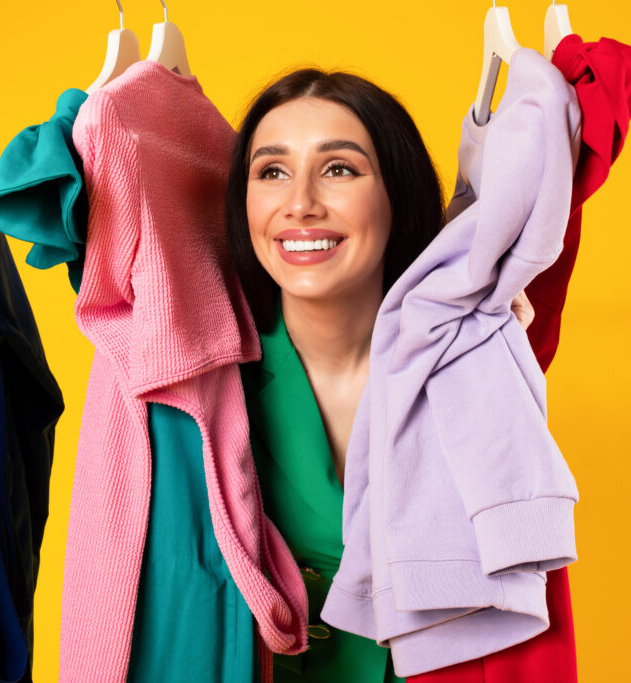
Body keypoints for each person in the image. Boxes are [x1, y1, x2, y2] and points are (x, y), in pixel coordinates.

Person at [227, 68, 535, 682]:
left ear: (397, 192)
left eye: (338, 168)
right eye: (272, 171)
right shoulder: (206, 390)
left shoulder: (475, 361)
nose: (301, 203)